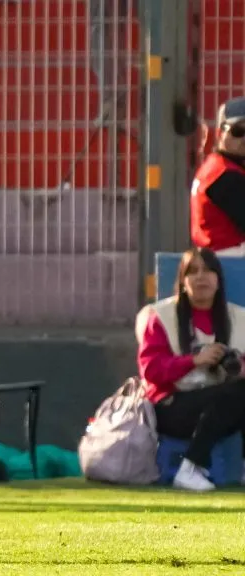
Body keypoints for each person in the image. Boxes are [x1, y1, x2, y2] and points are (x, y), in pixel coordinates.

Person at [136, 247, 245, 491]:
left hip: (217, 404)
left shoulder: (237, 317)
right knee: (230, 395)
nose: (201, 277)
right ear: (183, 281)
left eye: (208, 270)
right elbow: (150, 370)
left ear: (218, 280)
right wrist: (193, 361)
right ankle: (191, 467)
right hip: (169, 406)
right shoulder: (161, 316)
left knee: (235, 392)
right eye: (193, 271)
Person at [190, 96, 245, 255]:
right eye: (238, 131)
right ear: (220, 133)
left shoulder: (217, 166)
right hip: (229, 259)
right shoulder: (224, 175)